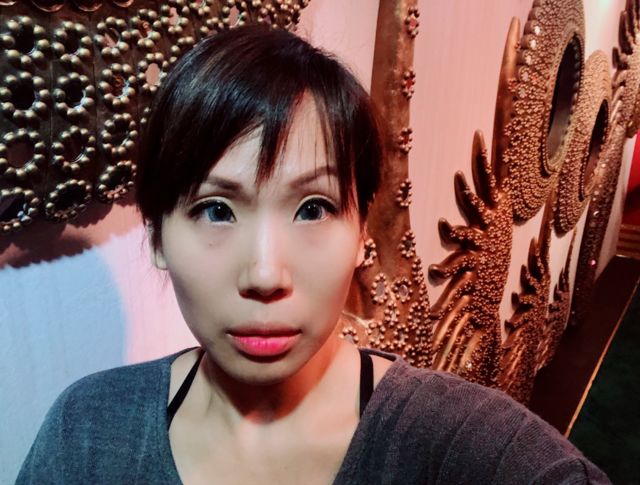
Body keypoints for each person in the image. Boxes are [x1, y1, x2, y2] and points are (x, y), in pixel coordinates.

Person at [16, 25, 609, 484]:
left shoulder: (459, 444)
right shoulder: (87, 432)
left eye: (313, 209)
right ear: (157, 238)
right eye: (216, 210)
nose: (265, 274)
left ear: (361, 232)